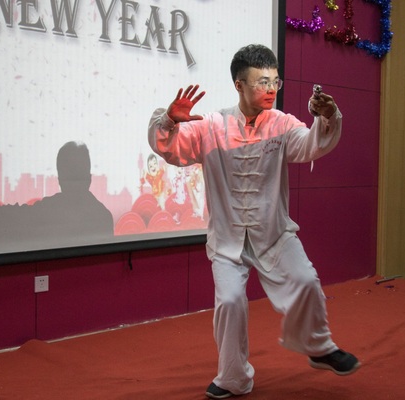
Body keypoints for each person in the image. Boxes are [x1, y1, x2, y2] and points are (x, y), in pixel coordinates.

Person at [147, 44, 360, 399]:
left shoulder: (282, 124)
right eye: (262, 82)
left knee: (306, 279)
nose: (271, 89)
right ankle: (233, 377)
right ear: (239, 85)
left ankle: (319, 347)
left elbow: (310, 144)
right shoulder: (210, 126)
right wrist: (169, 121)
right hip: (227, 238)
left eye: (275, 81)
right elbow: (169, 148)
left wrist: (326, 116)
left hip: (274, 233)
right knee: (230, 302)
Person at [0, 141, 114, 250]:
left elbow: (16, 222)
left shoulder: (48, 210)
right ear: (89, 177)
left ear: (60, 178)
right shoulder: (104, 216)